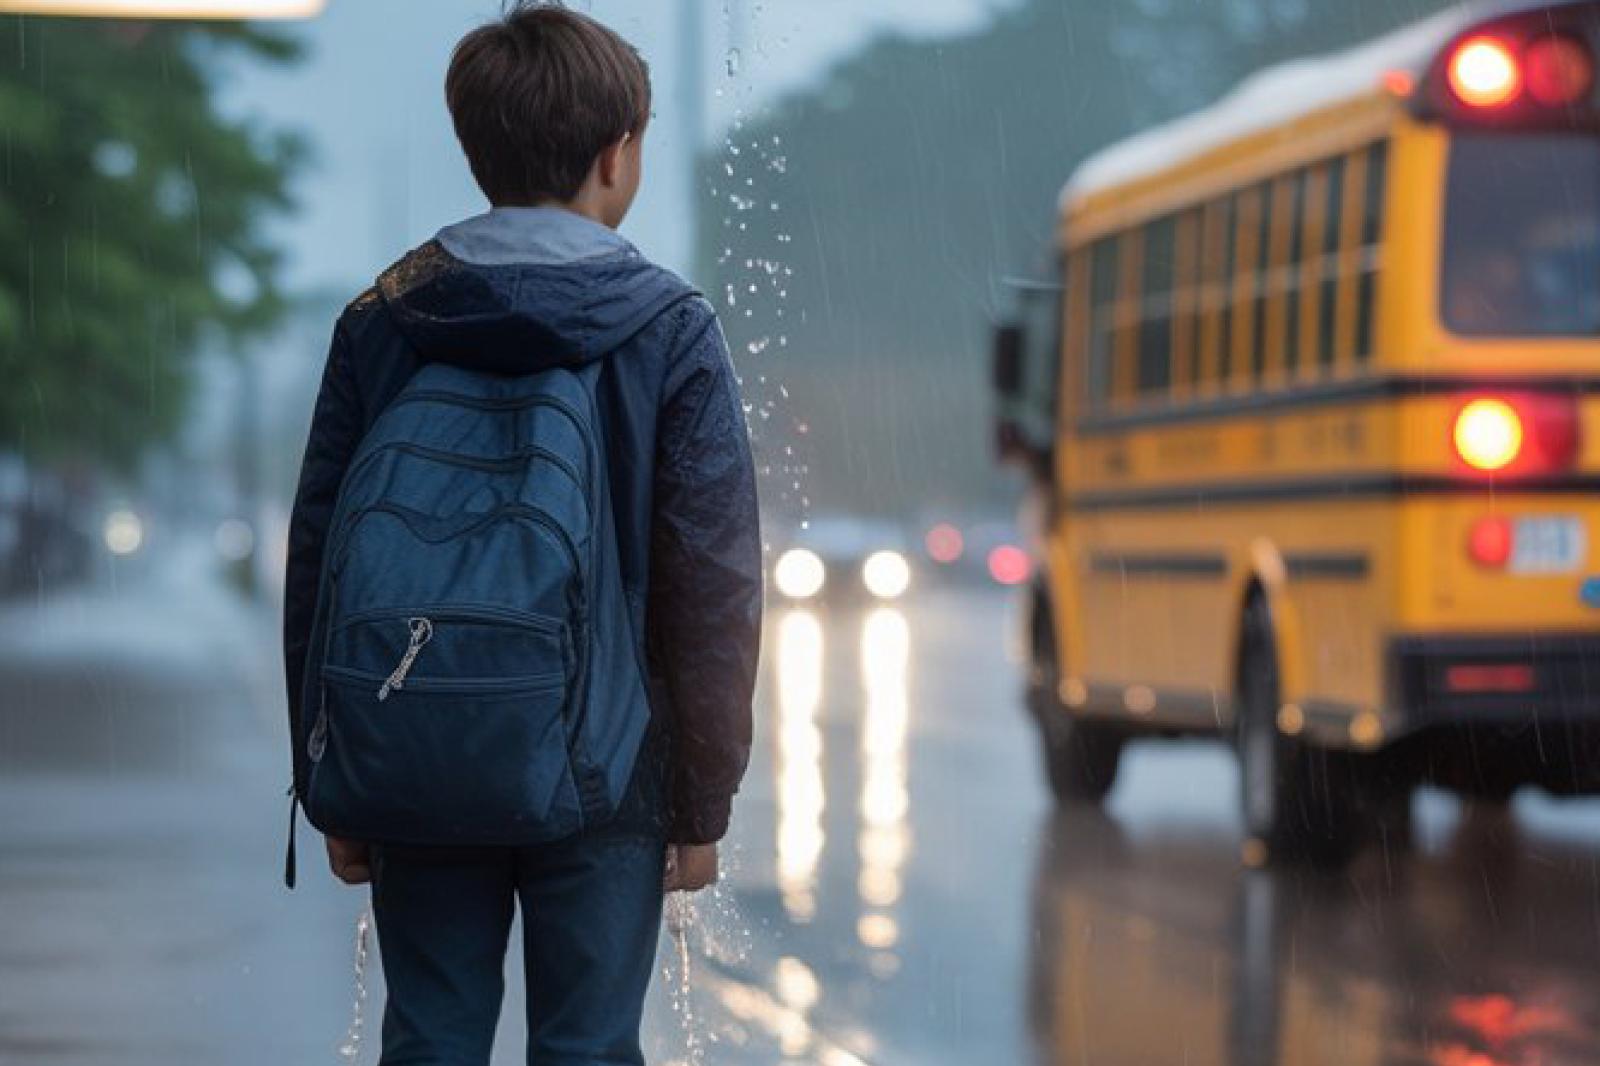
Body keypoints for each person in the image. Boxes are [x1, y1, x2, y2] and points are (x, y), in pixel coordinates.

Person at [280, 4, 763, 1062]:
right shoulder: (667, 329)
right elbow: (711, 579)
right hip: (610, 768)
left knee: (431, 1035)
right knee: (588, 1046)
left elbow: (320, 558)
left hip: (418, 745)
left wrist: (328, 773)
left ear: (475, 148)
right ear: (618, 153)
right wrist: (702, 796)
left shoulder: (383, 321)